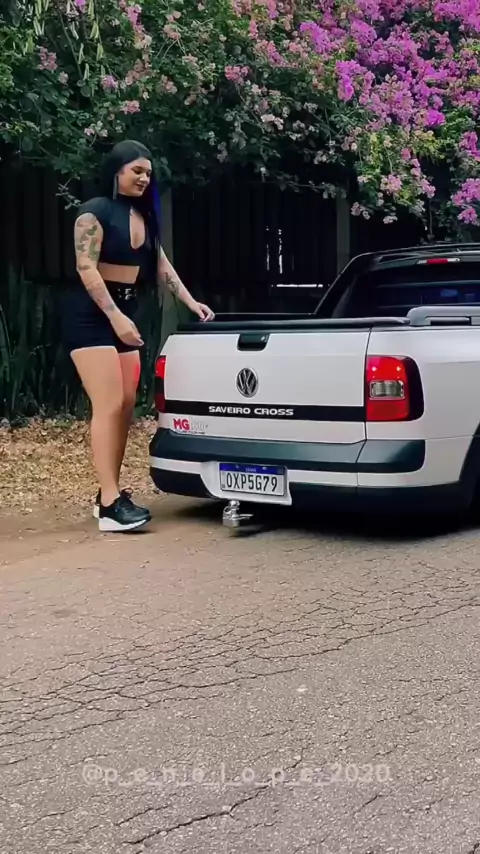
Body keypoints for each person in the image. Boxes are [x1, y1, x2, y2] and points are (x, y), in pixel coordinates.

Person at [62, 139, 214, 533]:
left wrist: (190, 302)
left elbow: (161, 265)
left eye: (148, 173)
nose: (145, 178)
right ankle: (110, 505)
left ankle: (107, 494)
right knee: (109, 402)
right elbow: (86, 268)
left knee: (127, 404)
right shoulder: (93, 212)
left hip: (124, 311)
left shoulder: (143, 216)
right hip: (91, 314)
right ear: (117, 171)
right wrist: (114, 317)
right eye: (137, 171)